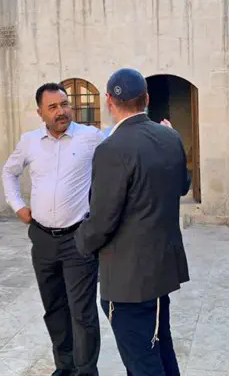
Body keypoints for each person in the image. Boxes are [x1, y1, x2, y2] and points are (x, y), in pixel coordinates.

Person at [75, 68, 190, 376]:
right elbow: (183, 186)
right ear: (147, 99)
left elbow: (102, 220)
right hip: (161, 269)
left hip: (128, 279)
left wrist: (80, 241)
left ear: (109, 101)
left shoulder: (111, 149)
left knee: (142, 362)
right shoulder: (170, 136)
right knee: (160, 348)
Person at [2, 83, 103, 376]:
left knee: (82, 312)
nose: (61, 112)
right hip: (43, 238)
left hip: (78, 239)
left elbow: (123, 140)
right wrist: (17, 206)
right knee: (54, 308)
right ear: (40, 113)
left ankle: (86, 371)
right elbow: (9, 172)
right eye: (53, 107)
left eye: (64, 104)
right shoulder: (29, 142)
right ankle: (65, 366)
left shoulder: (90, 137)